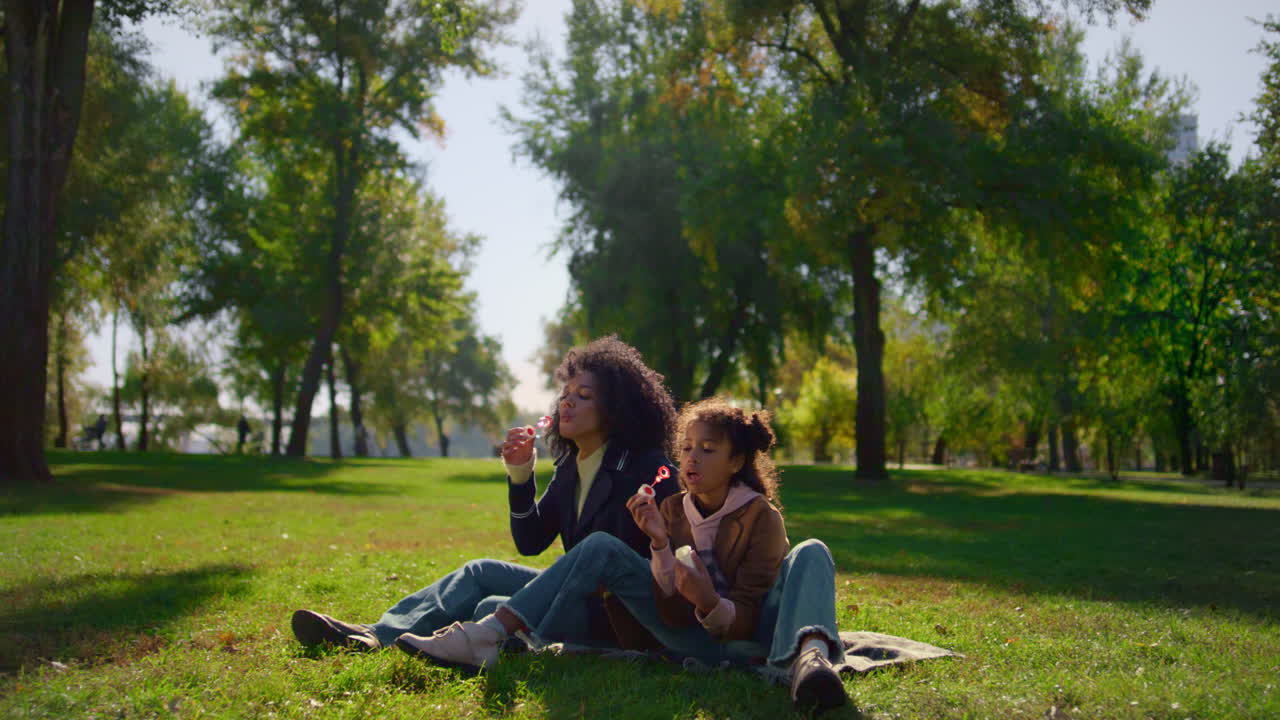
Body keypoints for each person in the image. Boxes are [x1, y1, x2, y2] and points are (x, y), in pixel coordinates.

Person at [396, 398, 850, 713]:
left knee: (811, 550)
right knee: (498, 589)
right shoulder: (672, 508)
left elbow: (750, 617)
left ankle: (810, 662)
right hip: (673, 631)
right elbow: (668, 610)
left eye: (708, 450)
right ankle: (484, 632)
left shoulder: (759, 517)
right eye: (687, 449)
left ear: (736, 463)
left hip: (730, 644)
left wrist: (710, 602)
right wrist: (657, 543)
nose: (690, 459)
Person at [290, 336, 679, 651]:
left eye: (584, 395)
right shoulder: (569, 470)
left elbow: (639, 565)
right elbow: (530, 543)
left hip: (616, 613)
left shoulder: (647, 467)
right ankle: (376, 634)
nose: (567, 401)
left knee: (489, 608)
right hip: (574, 598)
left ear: (615, 409)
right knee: (479, 573)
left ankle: (486, 640)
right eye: (565, 393)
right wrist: (520, 474)